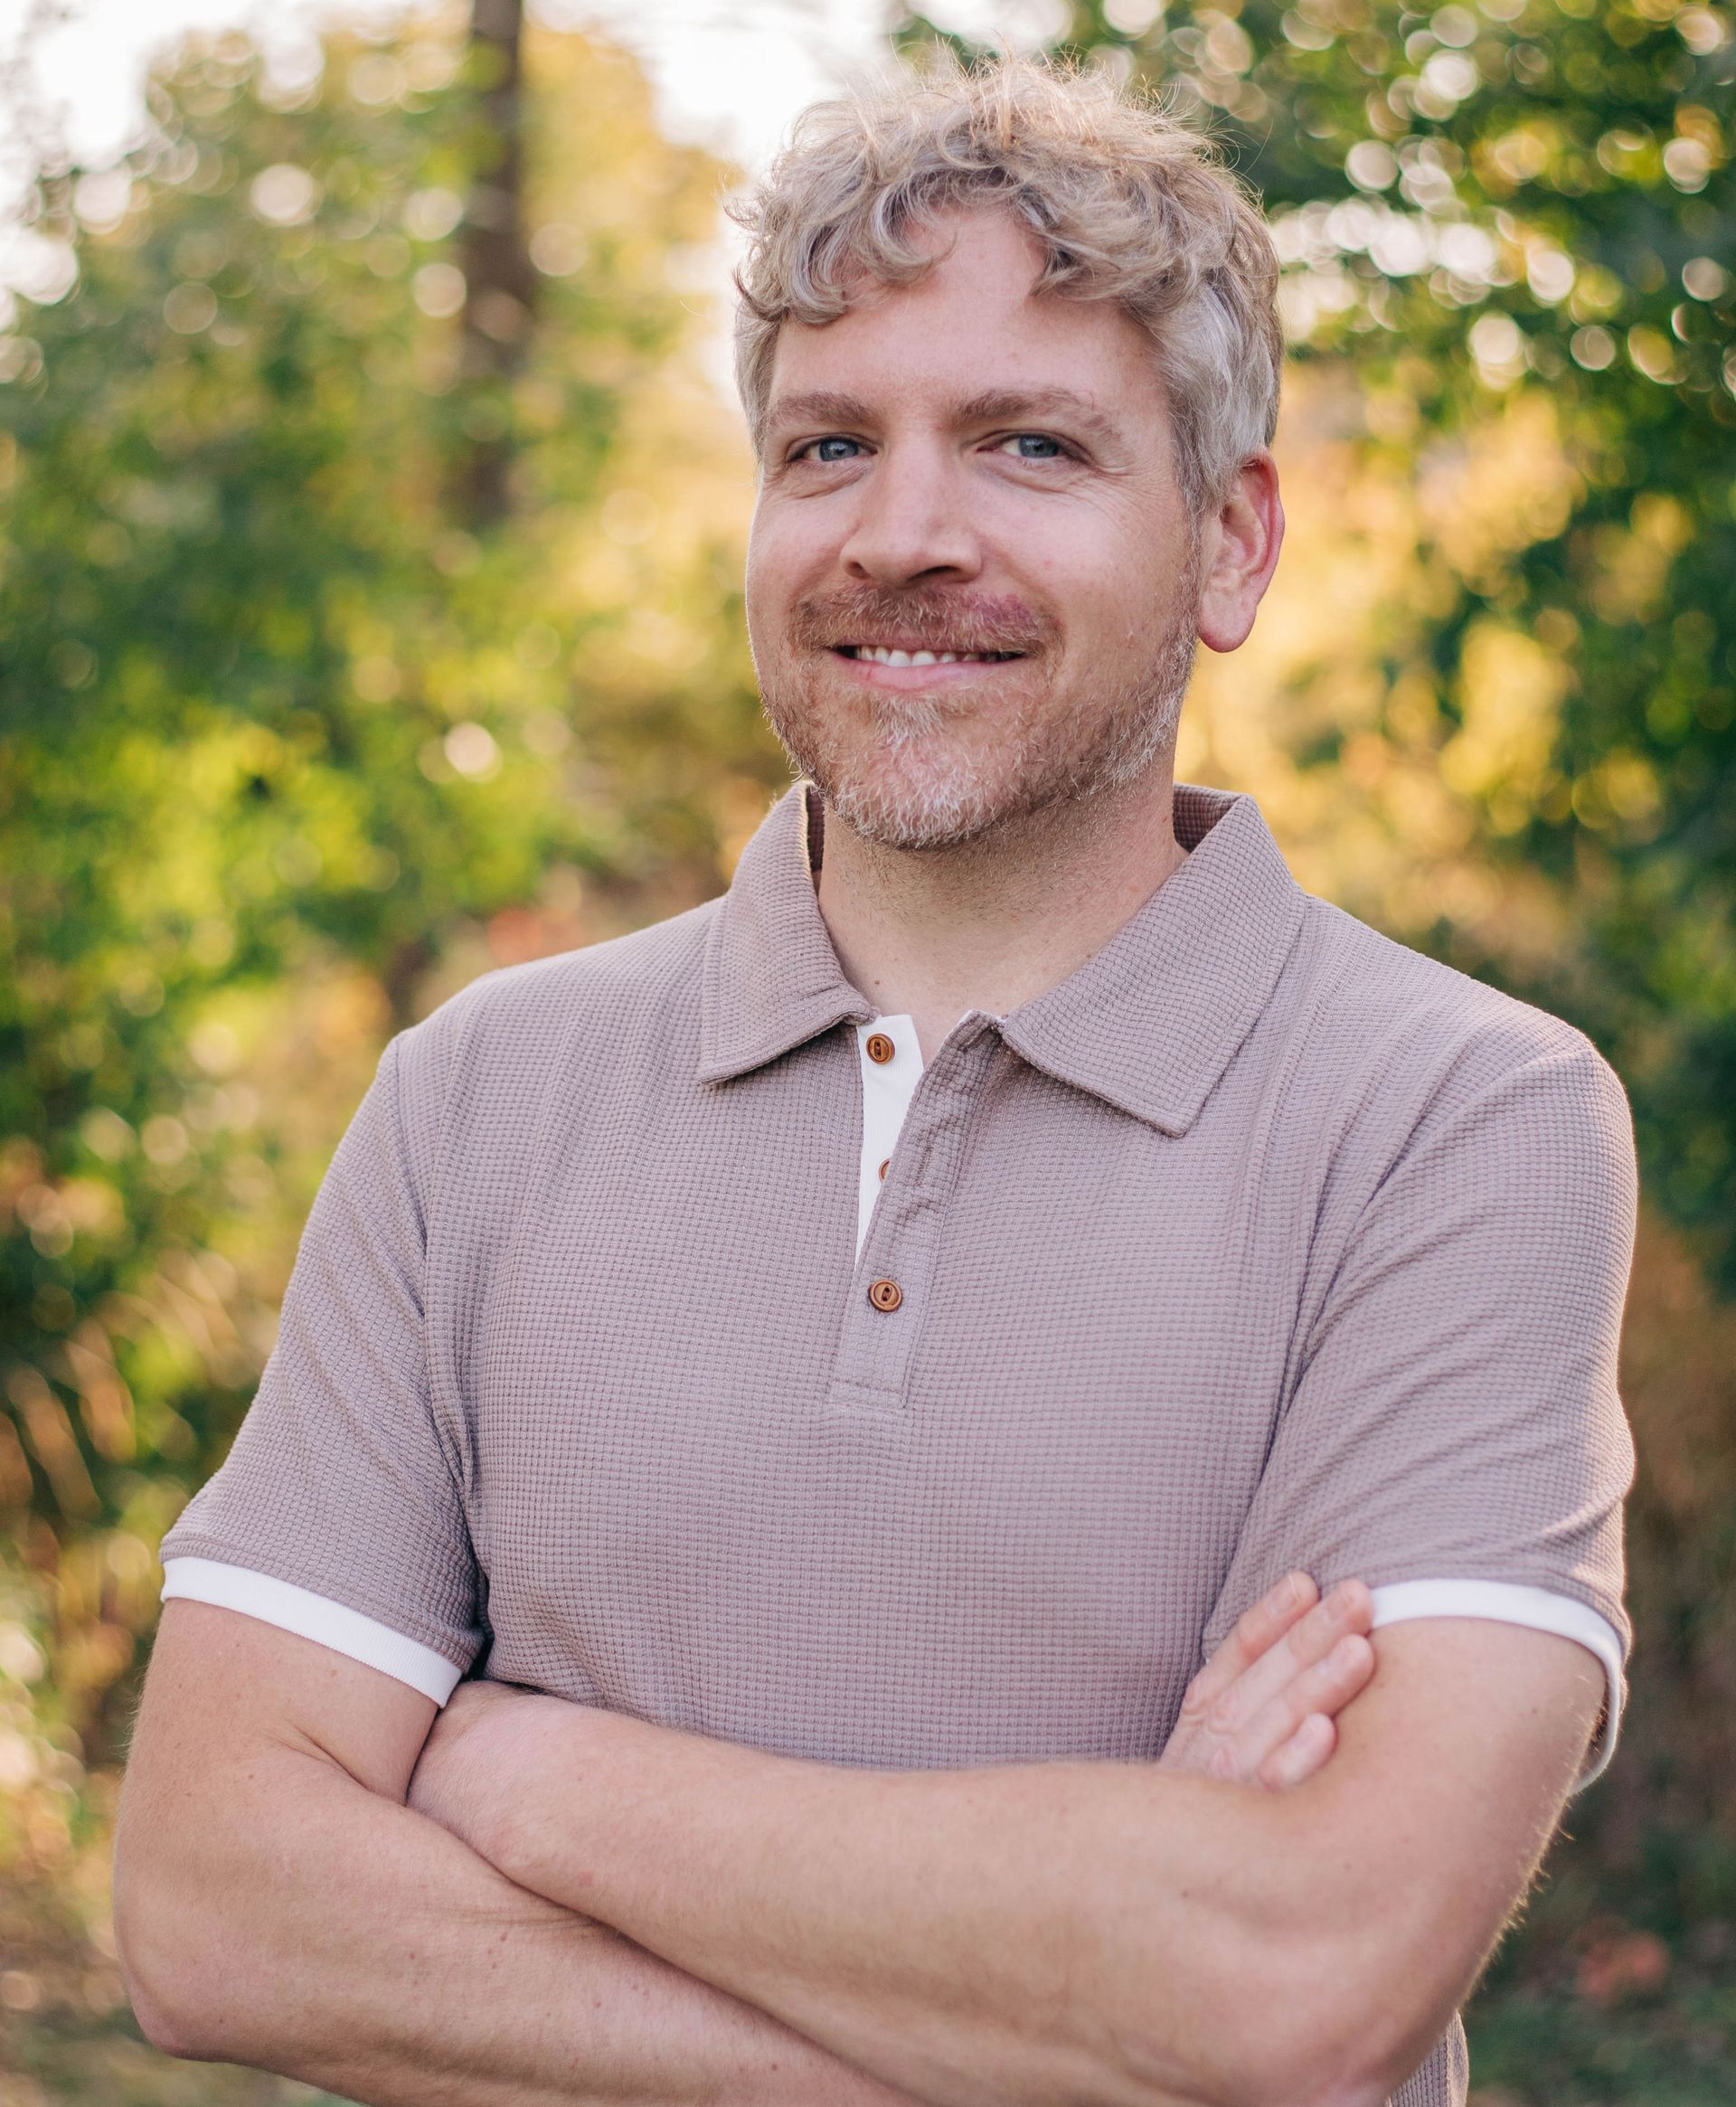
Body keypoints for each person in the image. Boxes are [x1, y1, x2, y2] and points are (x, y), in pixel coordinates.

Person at [113, 55, 1636, 2107]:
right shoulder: (480, 1092)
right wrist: (1076, 2001)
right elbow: (218, 1901)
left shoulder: (1460, 1120)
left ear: (1231, 546)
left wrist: (526, 1770)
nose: (904, 537)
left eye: (1028, 444)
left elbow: (1300, 1969)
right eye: (831, 444)